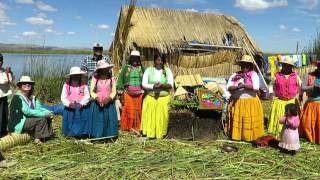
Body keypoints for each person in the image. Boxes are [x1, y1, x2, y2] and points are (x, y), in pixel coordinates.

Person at [227, 55, 264, 141]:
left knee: (249, 120)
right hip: (238, 102)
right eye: (243, 65)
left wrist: (244, 86)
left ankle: (249, 137)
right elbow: (228, 87)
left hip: (250, 102)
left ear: (250, 66)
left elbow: (256, 87)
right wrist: (237, 87)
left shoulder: (253, 75)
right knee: (240, 120)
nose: (244, 67)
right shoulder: (235, 75)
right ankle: (238, 136)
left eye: (247, 65)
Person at [8, 76, 54, 144]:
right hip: (21, 123)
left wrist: (49, 113)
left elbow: (39, 108)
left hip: (30, 120)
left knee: (47, 117)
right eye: (24, 83)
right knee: (41, 119)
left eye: (29, 83)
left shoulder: (33, 98)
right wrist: (44, 114)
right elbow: (27, 111)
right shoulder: (17, 98)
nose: (27, 84)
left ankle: (47, 136)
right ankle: (37, 139)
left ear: (31, 86)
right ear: (20, 86)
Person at [141, 53, 174, 139]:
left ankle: (161, 134)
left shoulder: (167, 71)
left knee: (162, 118)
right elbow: (143, 84)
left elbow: (170, 85)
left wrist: (162, 85)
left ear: (164, 61)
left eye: (161, 60)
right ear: (154, 60)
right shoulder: (148, 70)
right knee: (150, 117)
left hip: (163, 99)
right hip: (151, 98)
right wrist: (153, 86)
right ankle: (150, 133)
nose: (159, 62)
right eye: (158, 60)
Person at [268, 56, 301, 137]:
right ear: (282, 65)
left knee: (291, 119)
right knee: (280, 118)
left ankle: (291, 133)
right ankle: (279, 132)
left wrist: (299, 94)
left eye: (289, 66)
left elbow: (301, 85)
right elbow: (270, 85)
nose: (287, 67)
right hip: (280, 101)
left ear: (291, 67)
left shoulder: (295, 76)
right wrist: (271, 93)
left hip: (291, 103)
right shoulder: (277, 76)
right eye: (285, 65)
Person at [86, 60, 118, 138]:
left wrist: (109, 98)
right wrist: (97, 98)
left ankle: (108, 136)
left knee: (108, 119)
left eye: (106, 68)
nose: (105, 70)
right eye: (103, 68)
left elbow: (114, 91)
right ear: (99, 70)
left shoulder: (111, 79)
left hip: (109, 103)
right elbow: (92, 91)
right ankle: (98, 136)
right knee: (98, 120)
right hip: (97, 104)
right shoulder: (95, 78)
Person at [117, 50, 144, 132]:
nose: (135, 60)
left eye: (137, 59)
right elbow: (120, 78)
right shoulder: (126, 68)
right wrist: (120, 88)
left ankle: (137, 127)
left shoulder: (142, 68)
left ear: (139, 59)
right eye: (133, 58)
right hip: (128, 93)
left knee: (138, 110)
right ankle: (128, 127)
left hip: (139, 94)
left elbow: (147, 78)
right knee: (128, 109)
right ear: (131, 59)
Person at [61, 67, 90, 137]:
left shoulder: (84, 85)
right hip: (70, 108)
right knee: (70, 120)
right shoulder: (66, 85)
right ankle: (70, 134)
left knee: (81, 120)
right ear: (71, 76)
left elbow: (87, 96)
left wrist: (82, 103)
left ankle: (81, 133)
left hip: (81, 108)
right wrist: (69, 104)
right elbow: (63, 97)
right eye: (75, 75)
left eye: (78, 75)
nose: (76, 76)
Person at [300, 60, 320, 144]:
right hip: (310, 104)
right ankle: (309, 138)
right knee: (306, 124)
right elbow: (302, 87)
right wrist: (312, 87)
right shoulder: (309, 75)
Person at [0, 53, 14, 137]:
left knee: (4, 114)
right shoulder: (4, 72)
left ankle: (3, 131)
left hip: (4, 96)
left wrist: (9, 73)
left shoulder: (4, 70)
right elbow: (3, 81)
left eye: (1, 60)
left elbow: (10, 80)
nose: (0, 62)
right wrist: (7, 76)